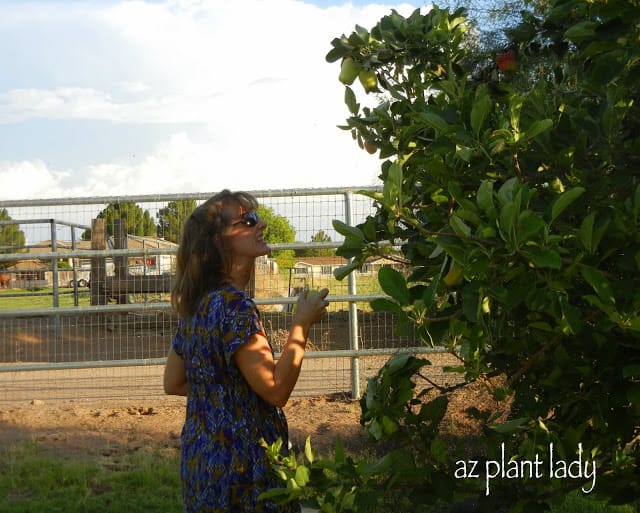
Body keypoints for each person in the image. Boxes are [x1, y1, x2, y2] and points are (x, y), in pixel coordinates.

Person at [163, 189, 329, 513]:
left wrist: (229, 398)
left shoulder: (198, 304)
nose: (261, 224)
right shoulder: (234, 306)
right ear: (218, 241)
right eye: (248, 221)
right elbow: (275, 389)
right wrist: (301, 324)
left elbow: (173, 381)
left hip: (203, 462)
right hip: (244, 472)